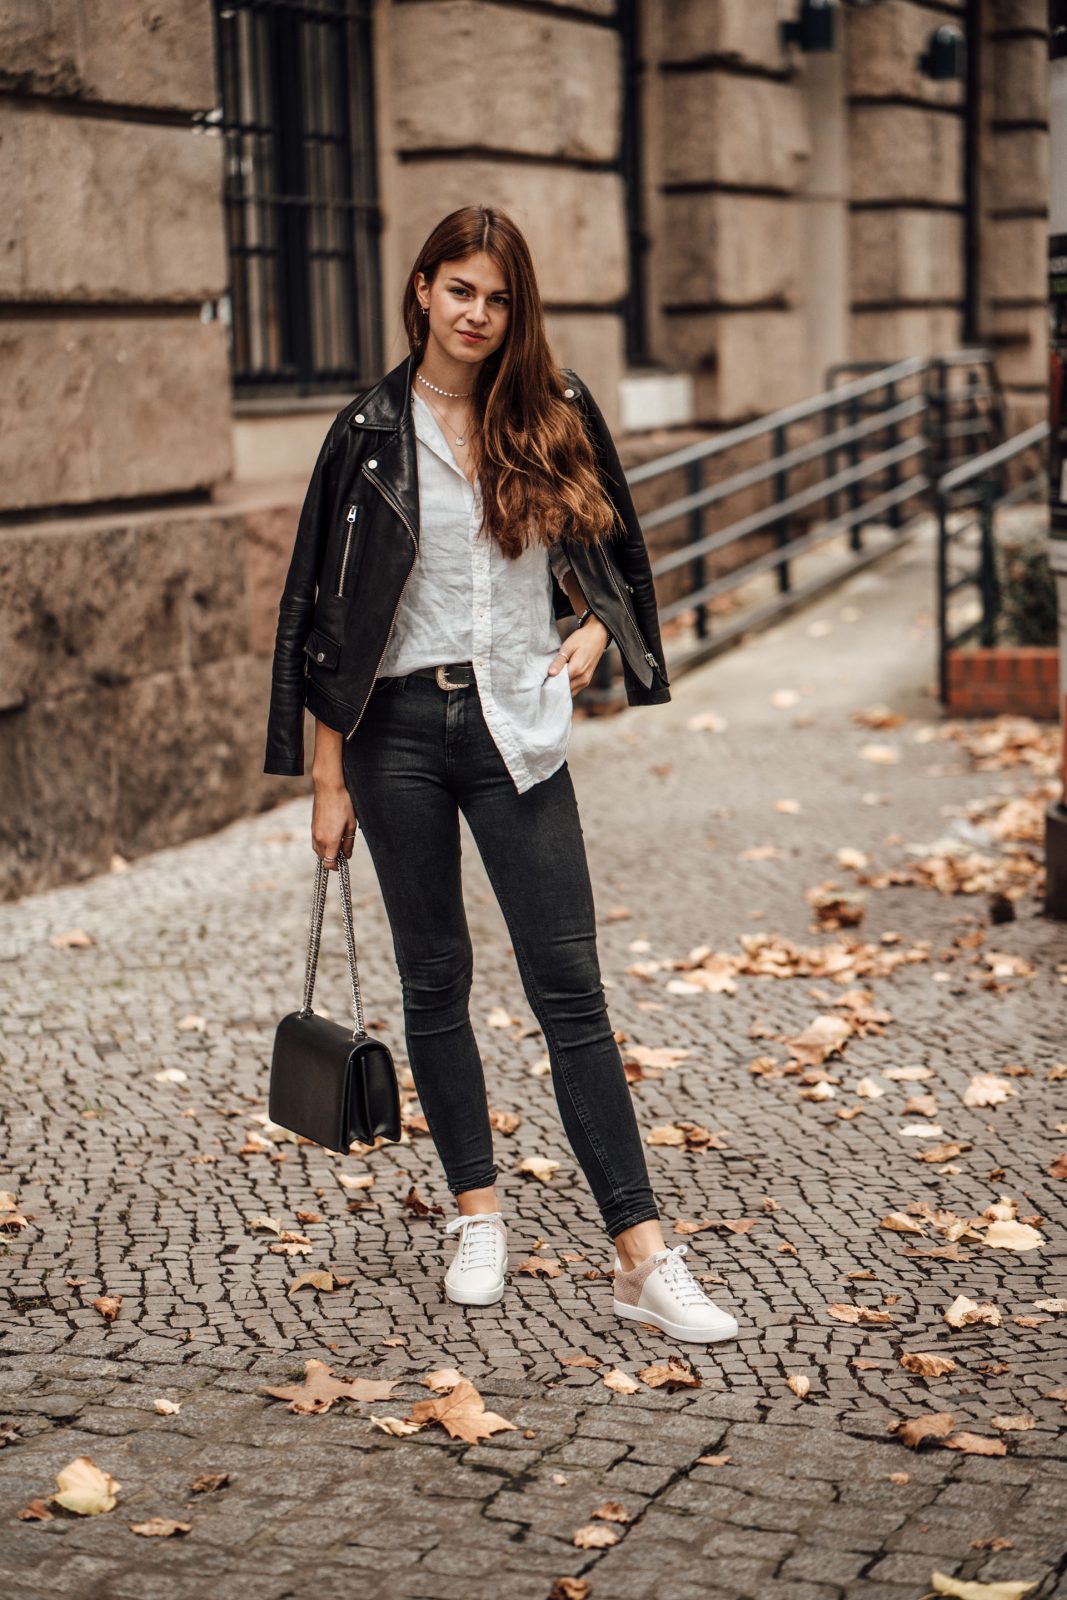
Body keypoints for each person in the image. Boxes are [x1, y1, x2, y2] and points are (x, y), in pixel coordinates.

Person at [264, 205, 739, 1344]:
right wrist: (326, 781)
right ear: (421, 289)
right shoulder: (366, 431)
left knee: (567, 983)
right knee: (434, 977)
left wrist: (589, 637)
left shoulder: (552, 407)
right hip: (393, 735)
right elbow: (323, 619)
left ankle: (640, 1251)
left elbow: (614, 552)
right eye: (460, 291)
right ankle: (476, 1211)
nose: (478, 315)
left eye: (499, 298)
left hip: (515, 728)